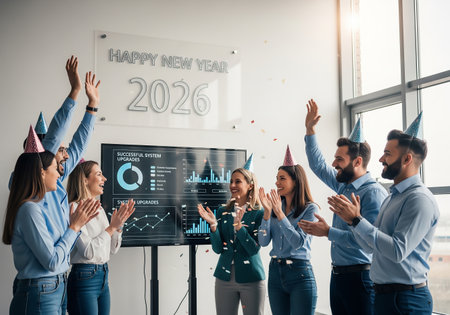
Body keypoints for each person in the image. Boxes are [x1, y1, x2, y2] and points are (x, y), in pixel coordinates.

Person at [329, 113, 439, 314]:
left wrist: (357, 220)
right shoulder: (391, 197)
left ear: (407, 159)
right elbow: (371, 248)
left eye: (387, 154)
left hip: (406, 300)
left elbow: (397, 251)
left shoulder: (419, 199)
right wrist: (353, 223)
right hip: (384, 296)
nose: (380, 159)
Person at [299, 99, 387, 315]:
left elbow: (368, 241)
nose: (334, 164)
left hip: (361, 278)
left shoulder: (373, 193)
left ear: (357, 162)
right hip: (338, 276)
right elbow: (318, 165)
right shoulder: (342, 184)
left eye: (339, 159)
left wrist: (328, 232)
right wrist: (310, 131)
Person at [3, 127, 100, 315]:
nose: (59, 174)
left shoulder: (34, 207)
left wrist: (75, 226)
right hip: (41, 291)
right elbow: (53, 261)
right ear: (41, 172)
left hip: (54, 288)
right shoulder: (30, 209)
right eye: (55, 169)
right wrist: (74, 227)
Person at [197, 154, 266, 315]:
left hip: (252, 278)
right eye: (231, 181)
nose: (232, 185)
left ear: (250, 185)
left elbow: (254, 249)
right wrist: (213, 225)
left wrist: (239, 228)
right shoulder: (223, 211)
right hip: (224, 278)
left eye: (238, 181)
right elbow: (218, 248)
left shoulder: (259, 213)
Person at [66, 160, 135, 315]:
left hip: (103, 276)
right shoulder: (74, 209)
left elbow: (112, 249)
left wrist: (118, 227)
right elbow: (88, 252)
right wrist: (110, 228)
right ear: (84, 180)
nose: (104, 179)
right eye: (99, 174)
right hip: (84, 278)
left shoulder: (99, 209)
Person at [258, 146, 319, 315]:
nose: (277, 183)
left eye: (282, 178)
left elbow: (298, 243)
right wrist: (267, 214)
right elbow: (263, 242)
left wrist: (279, 214)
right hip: (275, 272)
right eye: (276, 178)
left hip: (300, 273)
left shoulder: (310, 209)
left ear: (295, 181)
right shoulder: (276, 207)